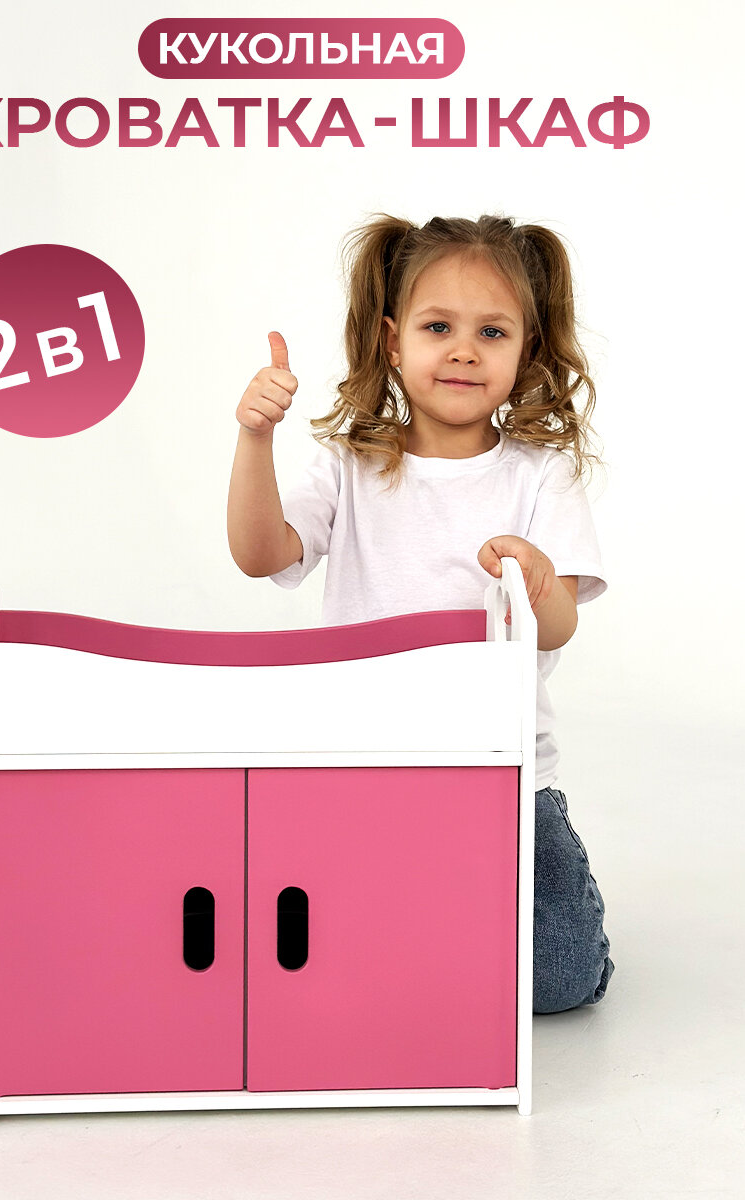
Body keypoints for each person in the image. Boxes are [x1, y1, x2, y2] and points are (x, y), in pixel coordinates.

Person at [227, 213, 614, 1014]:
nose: (464, 351)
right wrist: (255, 437)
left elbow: (559, 627)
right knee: (321, 954)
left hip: (505, 776)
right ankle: (427, 927)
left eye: (492, 332)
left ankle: (452, 927)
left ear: (526, 352)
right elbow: (262, 554)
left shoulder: (541, 475)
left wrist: (539, 579)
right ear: (393, 342)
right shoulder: (349, 464)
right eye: (439, 327)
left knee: (562, 979)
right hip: (364, 772)